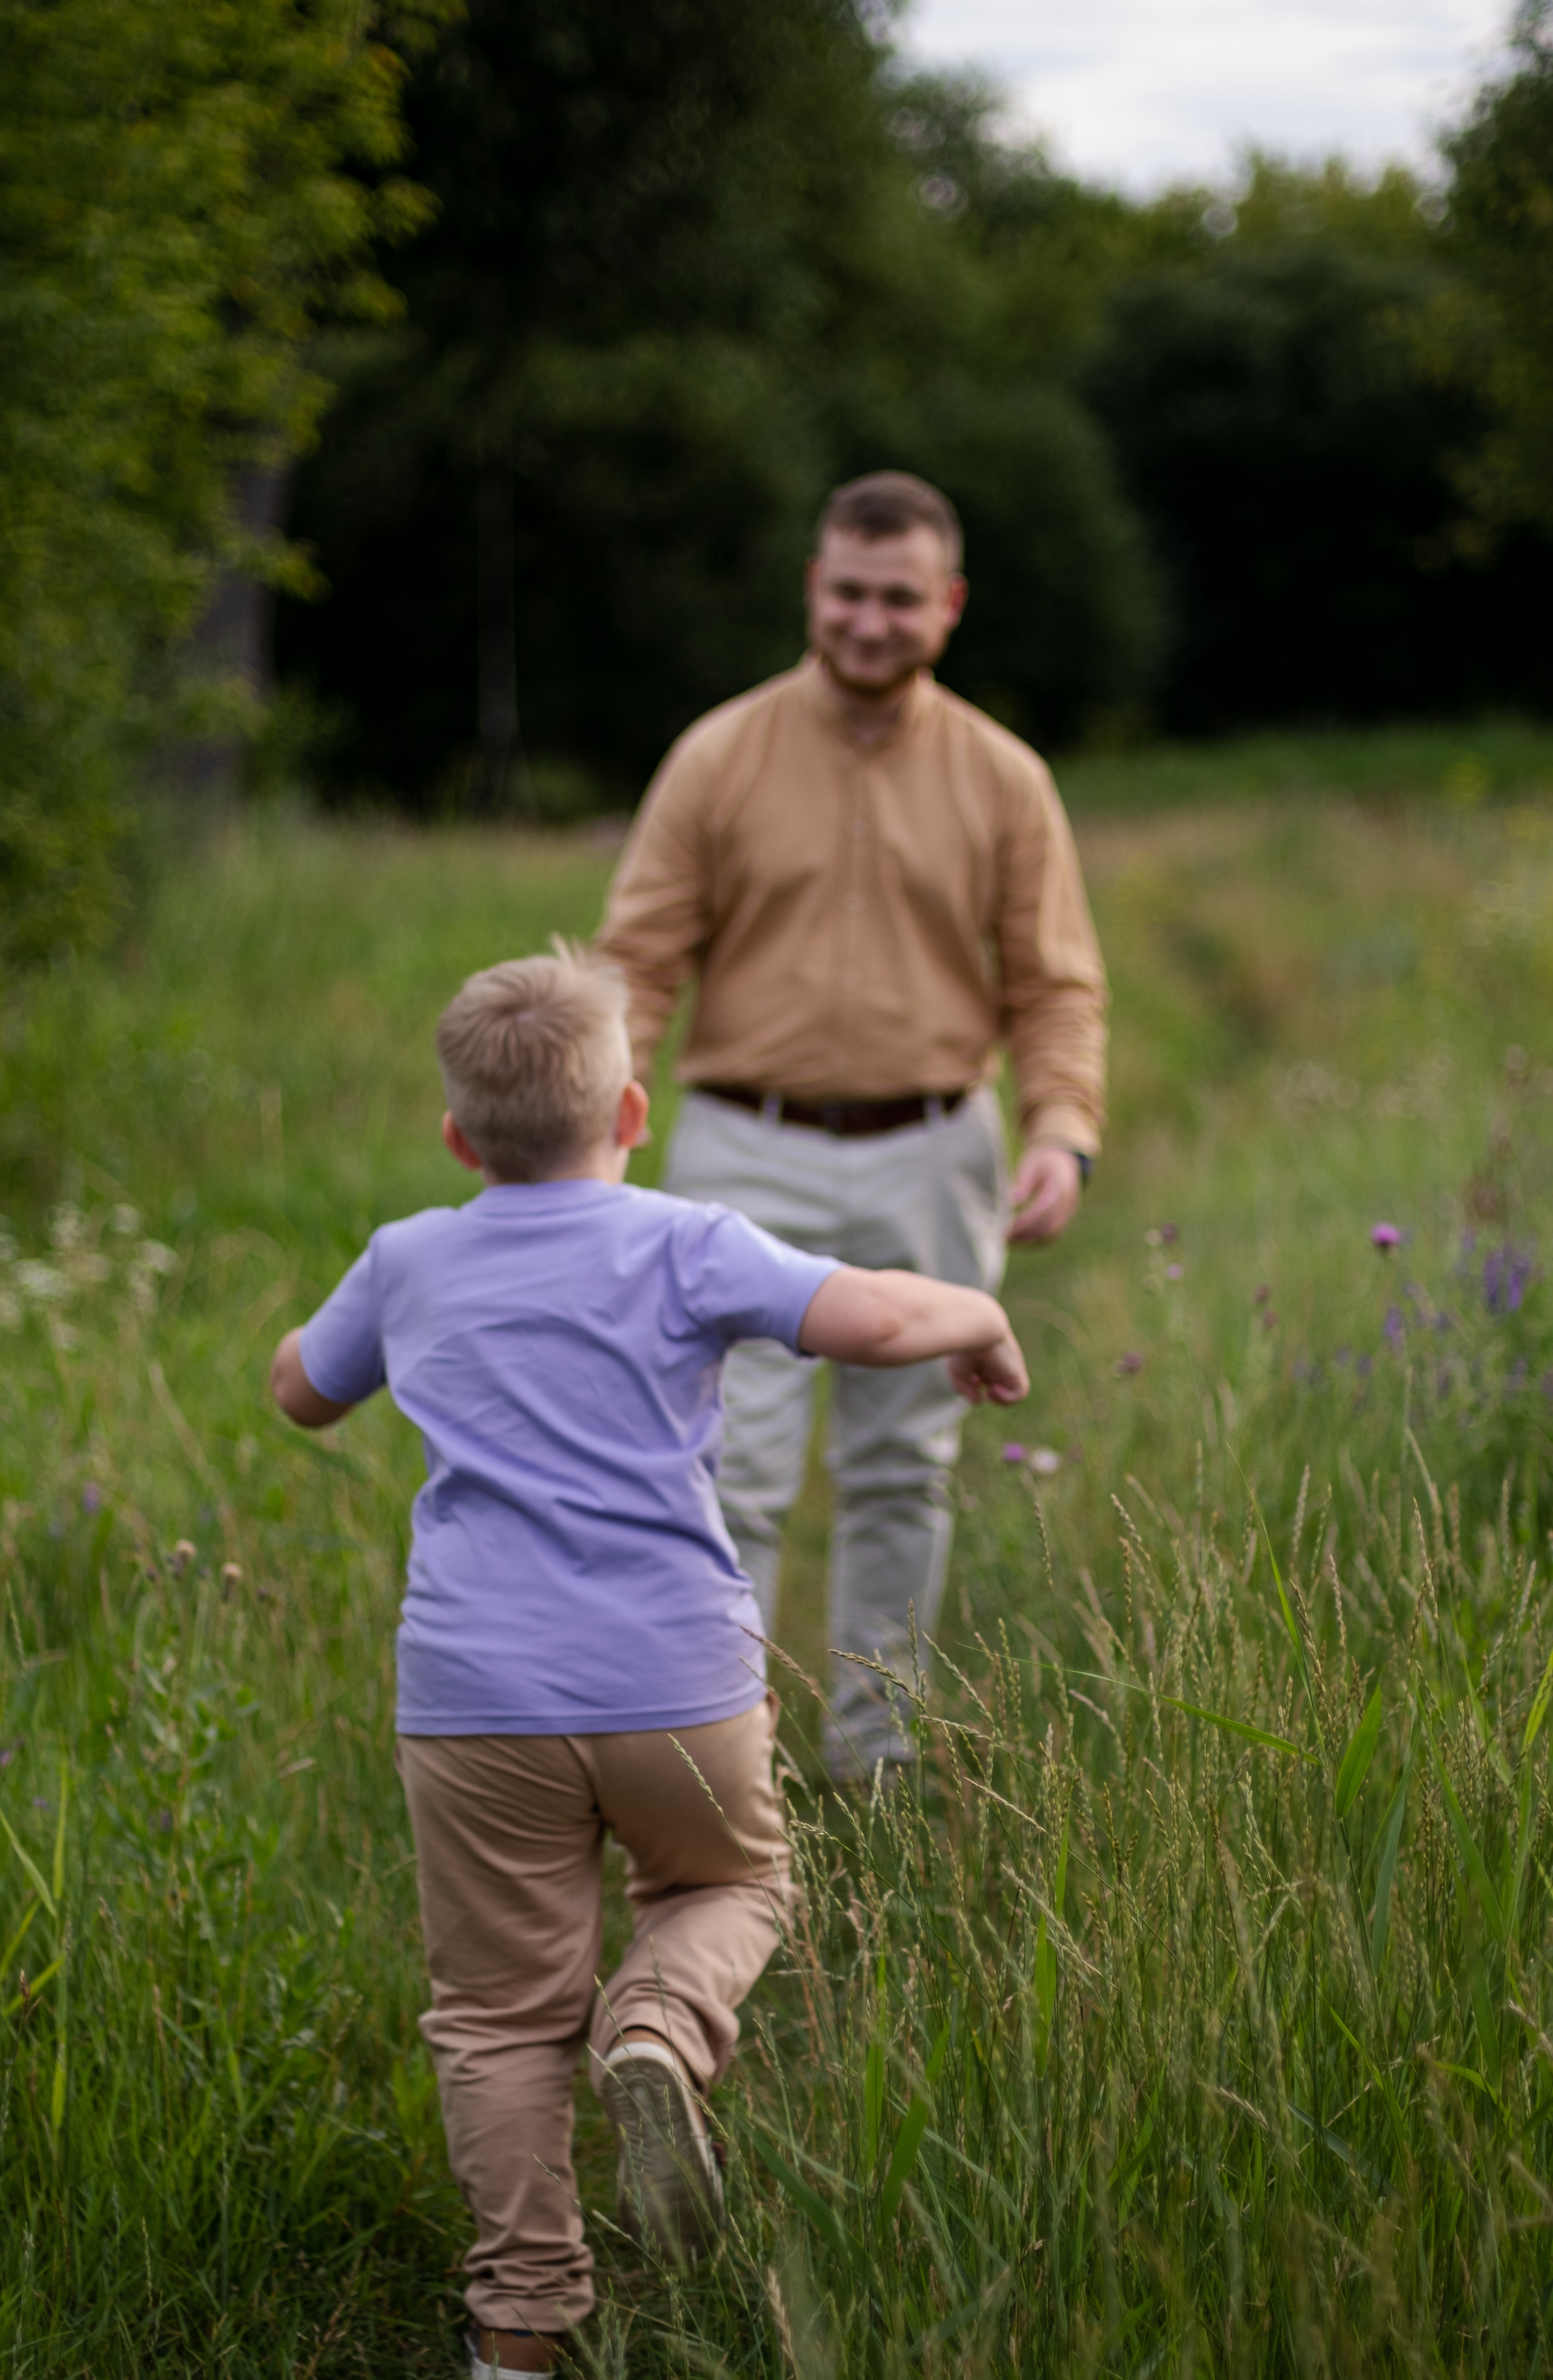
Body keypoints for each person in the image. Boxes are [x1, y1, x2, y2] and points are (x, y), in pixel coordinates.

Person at [268, 944, 1028, 2378]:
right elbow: (866, 1319)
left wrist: (312, 1341)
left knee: (496, 2013)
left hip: (474, 1699)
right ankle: (664, 2030)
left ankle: (518, 2331)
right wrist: (978, 1317)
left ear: (455, 1139)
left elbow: (303, 1390)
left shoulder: (409, 1256)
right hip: (678, 1684)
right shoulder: (687, 1240)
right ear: (629, 1113)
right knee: (734, 1880)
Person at [596, 469, 1106, 1781]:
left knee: (901, 1469)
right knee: (731, 1466)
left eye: (897, 599)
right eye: (845, 592)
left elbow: (1052, 983)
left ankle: (873, 1763)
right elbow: (636, 958)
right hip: (739, 1145)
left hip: (933, 1153)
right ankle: (727, 1758)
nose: (867, 622)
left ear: (945, 605)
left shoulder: (1003, 777)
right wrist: (598, 1112)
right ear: (811, 588)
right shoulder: (719, 754)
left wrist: (1059, 1128)